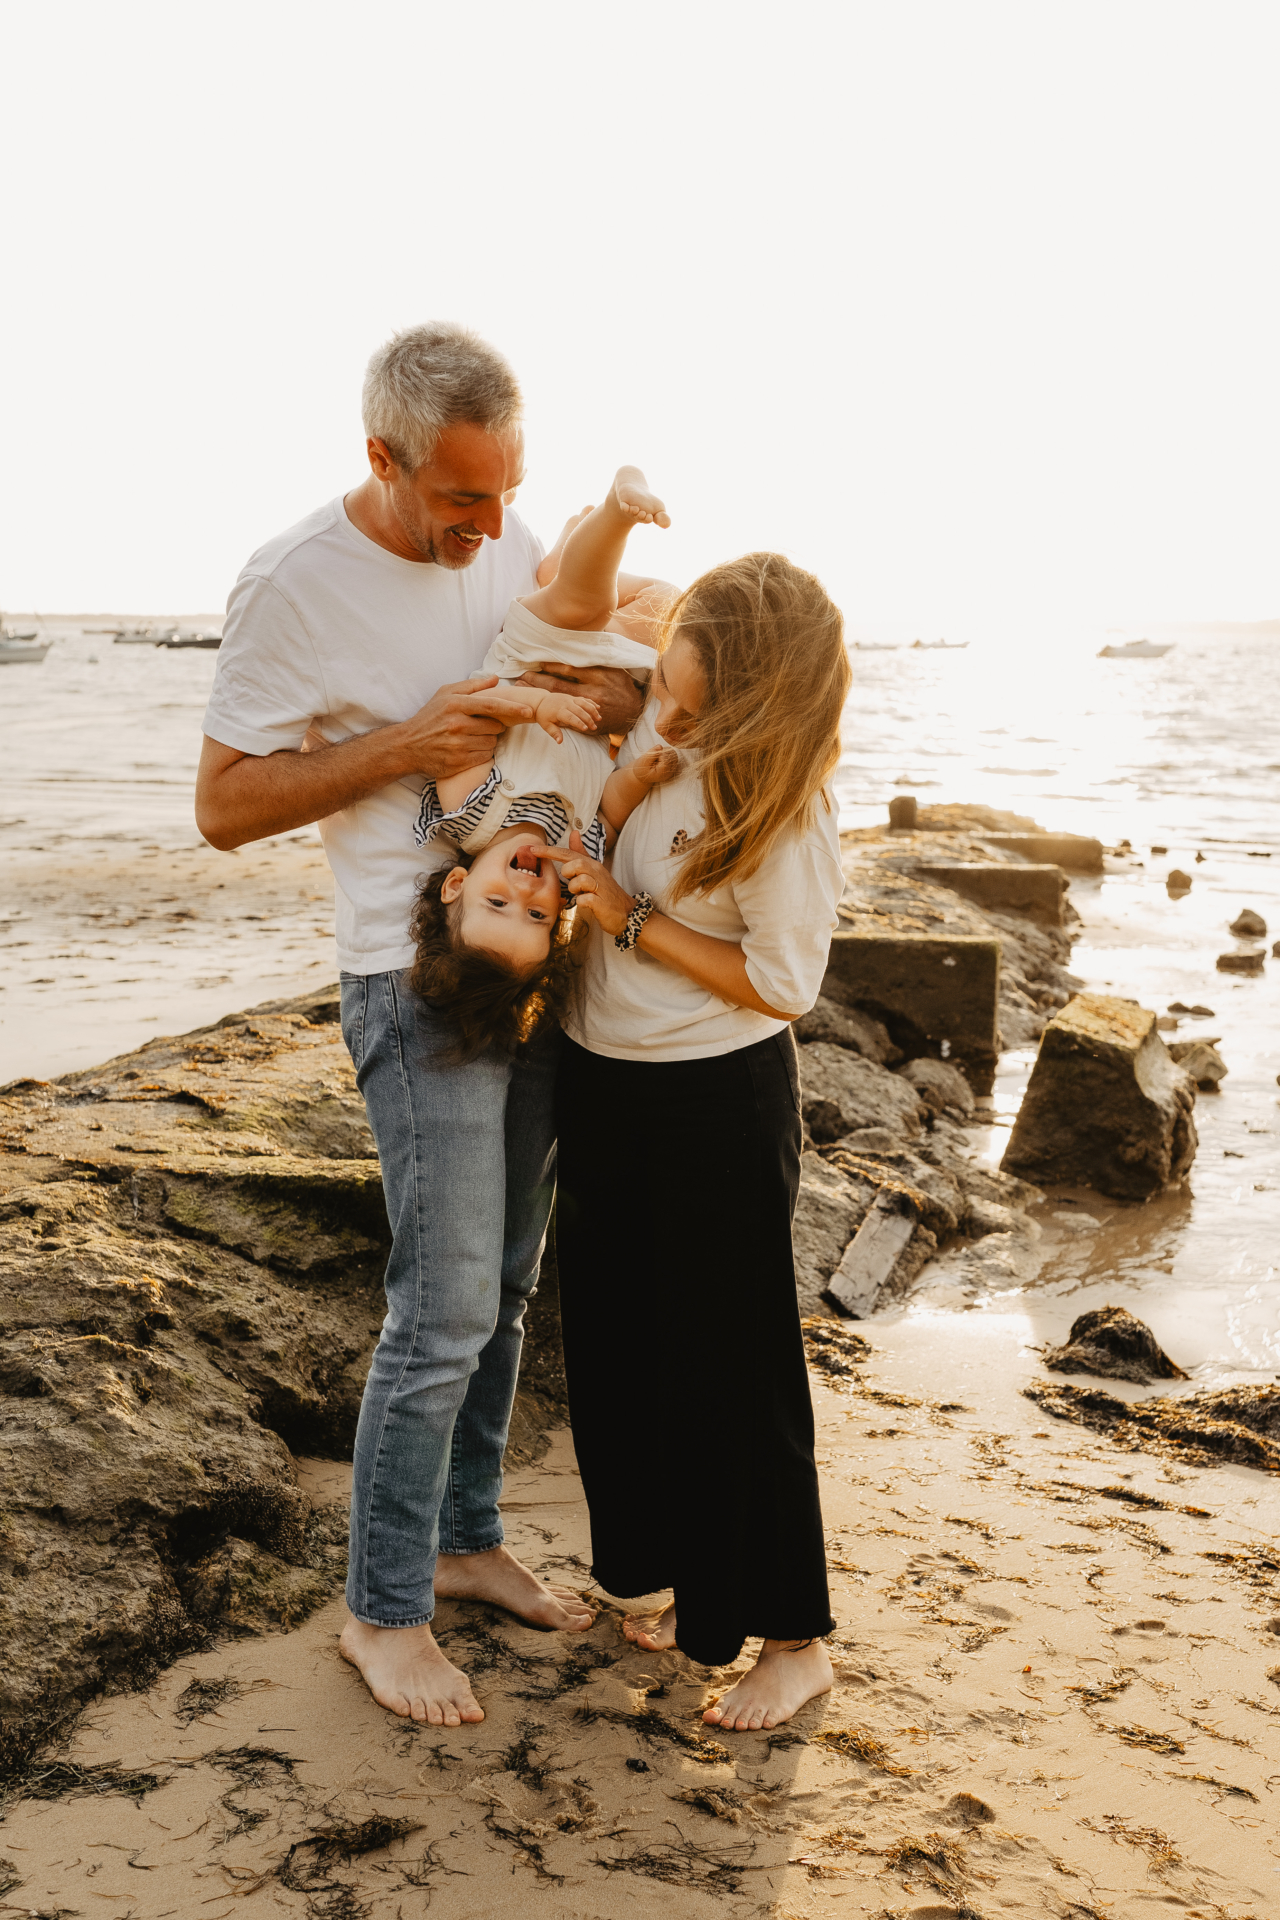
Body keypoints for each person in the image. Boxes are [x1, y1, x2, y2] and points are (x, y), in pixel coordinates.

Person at [195, 324, 651, 1728]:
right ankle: (380, 1610)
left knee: (506, 1285)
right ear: (383, 459)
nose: (494, 528)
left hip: (537, 957)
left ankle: (462, 1543)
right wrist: (412, 742)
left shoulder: (514, 546)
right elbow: (222, 807)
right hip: (411, 978)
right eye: (463, 501)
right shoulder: (293, 584)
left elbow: (599, 658)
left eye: (509, 494)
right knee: (442, 1301)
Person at [547, 550, 852, 1732]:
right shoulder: (663, 739)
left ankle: (792, 1636)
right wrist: (615, 796)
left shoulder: (778, 800)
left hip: (712, 1102)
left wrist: (630, 921)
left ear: (754, 688)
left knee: (734, 1371)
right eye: (667, 669)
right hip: (602, 1084)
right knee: (625, 1353)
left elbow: (781, 984)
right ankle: (694, 1594)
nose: (666, 696)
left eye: (690, 684)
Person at [406, 467, 680, 1051]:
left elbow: (473, 713)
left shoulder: (469, 813)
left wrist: (533, 706)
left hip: (532, 653)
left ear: (458, 882)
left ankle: (615, 509)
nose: (525, 894)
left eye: (497, 903)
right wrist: (638, 774)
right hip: (609, 663)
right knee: (666, 606)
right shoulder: (581, 850)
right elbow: (611, 803)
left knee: (580, 602)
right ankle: (568, 551)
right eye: (537, 917)